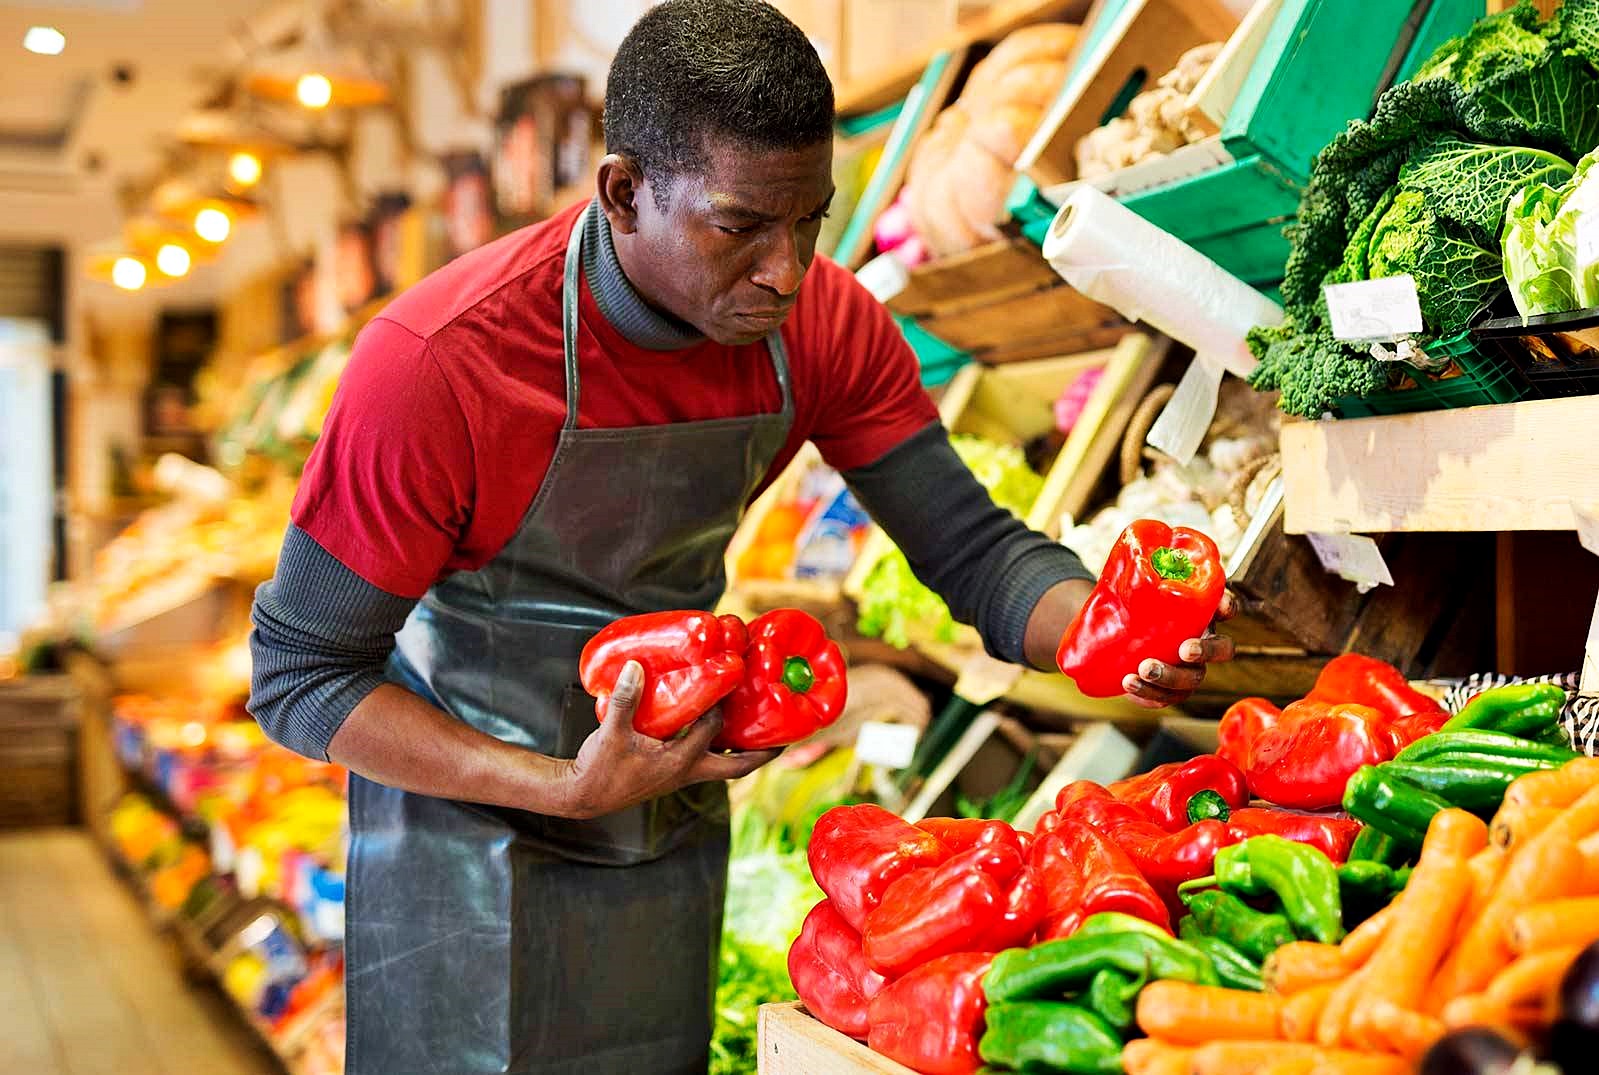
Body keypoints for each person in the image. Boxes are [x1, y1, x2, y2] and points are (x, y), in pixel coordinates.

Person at [246, 2, 1235, 1072]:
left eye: (810, 221)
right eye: (738, 228)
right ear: (624, 192)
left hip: (666, 819)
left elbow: (976, 552)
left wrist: (1103, 629)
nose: (786, 268)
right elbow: (301, 675)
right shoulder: (440, 367)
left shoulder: (824, 325)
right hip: (462, 835)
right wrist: (557, 785)